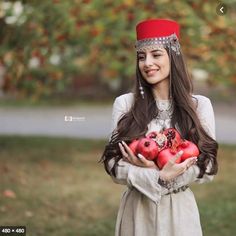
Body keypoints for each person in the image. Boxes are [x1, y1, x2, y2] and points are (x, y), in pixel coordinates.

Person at [101, 19, 218, 236]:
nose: (147, 63)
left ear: (173, 55)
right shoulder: (125, 104)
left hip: (179, 213)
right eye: (141, 57)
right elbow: (113, 166)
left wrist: (162, 176)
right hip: (136, 212)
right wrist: (160, 177)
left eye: (156, 54)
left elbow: (208, 167)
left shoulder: (199, 106)